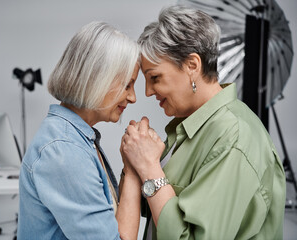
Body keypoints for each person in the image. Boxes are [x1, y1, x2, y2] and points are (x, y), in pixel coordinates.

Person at [120, 5, 286, 240]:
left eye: (155, 78)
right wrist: (135, 165)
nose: (147, 92)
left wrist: (148, 166)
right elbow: (158, 210)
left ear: (192, 65)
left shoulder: (233, 137)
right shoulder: (190, 128)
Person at [17, 21, 142, 240]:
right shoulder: (65, 152)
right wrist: (133, 169)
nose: (133, 97)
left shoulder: (77, 138)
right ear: (96, 78)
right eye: (127, 85)